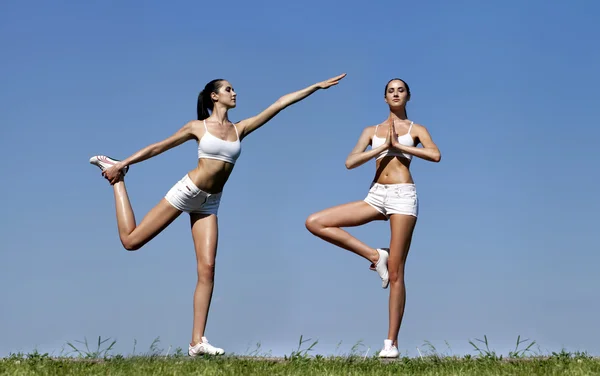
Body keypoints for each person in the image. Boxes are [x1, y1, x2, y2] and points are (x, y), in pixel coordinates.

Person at [89, 73, 346, 356]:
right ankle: (118, 179)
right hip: (187, 190)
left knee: (208, 268)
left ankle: (197, 341)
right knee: (131, 241)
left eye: (233, 89)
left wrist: (316, 86)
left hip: (210, 203)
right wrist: (124, 163)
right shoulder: (198, 127)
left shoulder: (241, 128)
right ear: (215, 96)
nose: (234, 93)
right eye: (228, 89)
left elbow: (280, 103)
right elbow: (159, 146)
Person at [305, 78, 441, 358]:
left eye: (400, 90)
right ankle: (375, 255)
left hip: (403, 196)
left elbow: (435, 154)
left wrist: (401, 147)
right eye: (390, 91)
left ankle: (390, 343)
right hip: (375, 196)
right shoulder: (371, 130)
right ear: (384, 98)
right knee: (315, 222)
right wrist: (381, 148)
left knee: (396, 272)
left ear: (408, 96)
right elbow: (350, 161)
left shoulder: (417, 129)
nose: (395, 94)